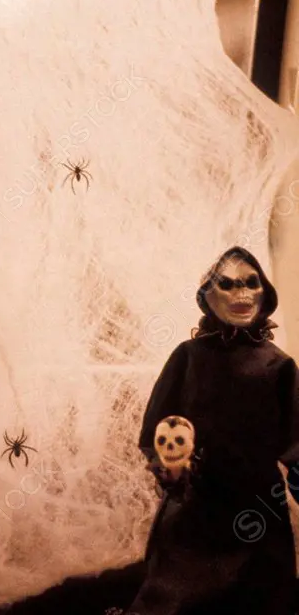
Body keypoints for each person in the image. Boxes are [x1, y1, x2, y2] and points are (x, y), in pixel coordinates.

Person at [128, 245, 299, 615]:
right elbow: (155, 430)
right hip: (195, 508)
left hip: (259, 512)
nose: (241, 294)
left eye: (251, 284)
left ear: (264, 294)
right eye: (227, 284)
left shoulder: (279, 366)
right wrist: (169, 469)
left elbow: (296, 444)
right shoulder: (187, 357)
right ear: (207, 296)